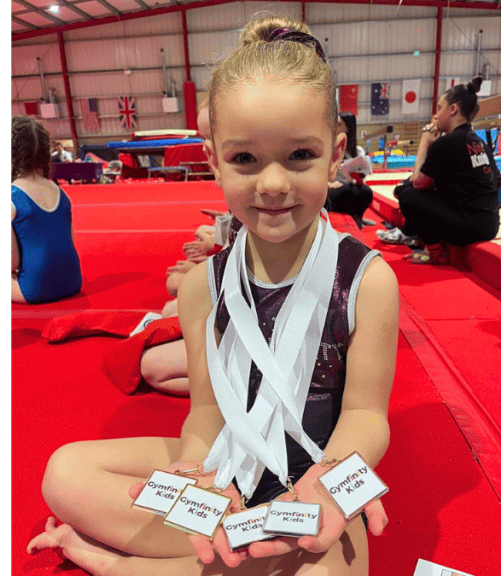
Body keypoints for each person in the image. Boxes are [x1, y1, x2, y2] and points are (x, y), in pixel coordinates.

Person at [28, 15, 396, 575]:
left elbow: (367, 414)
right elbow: (205, 413)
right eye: (245, 159)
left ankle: (131, 567)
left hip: (313, 485)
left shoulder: (368, 280)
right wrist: (198, 478)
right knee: (65, 473)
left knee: (326, 565)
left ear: (335, 152)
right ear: (213, 159)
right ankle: (227, 550)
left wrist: (331, 481)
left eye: (300, 156)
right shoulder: (204, 285)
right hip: (230, 473)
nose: (272, 184)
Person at [379, 76, 500, 264]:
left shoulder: (448, 142)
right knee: (406, 188)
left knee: (408, 195)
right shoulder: (479, 141)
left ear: (453, 109)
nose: (435, 115)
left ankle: (436, 253)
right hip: (490, 224)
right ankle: (410, 234)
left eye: (439, 108)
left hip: (468, 227)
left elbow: (418, 182)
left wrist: (424, 142)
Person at [12, 117, 83, 303]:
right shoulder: (61, 192)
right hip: (73, 281)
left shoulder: (10, 196)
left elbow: (12, 263)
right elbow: (70, 245)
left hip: (35, 289)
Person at [326, 112, 374, 227]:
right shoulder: (327, 148)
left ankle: (358, 217)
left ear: (348, 127)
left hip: (348, 187)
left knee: (365, 191)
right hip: (332, 189)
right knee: (348, 190)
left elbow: (360, 177)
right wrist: (328, 184)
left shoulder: (358, 151)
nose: (334, 127)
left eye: (338, 124)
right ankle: (354, 217)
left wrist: (359, 178)